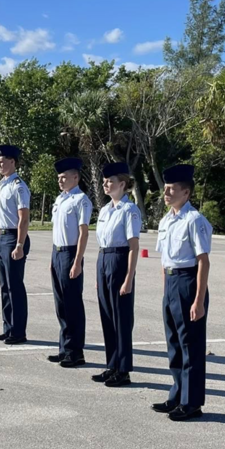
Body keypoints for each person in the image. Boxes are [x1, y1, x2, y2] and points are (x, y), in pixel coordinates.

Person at [152, 164, 212, 421]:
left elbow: (203, 261)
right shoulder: (166, 220)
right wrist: (166, 292)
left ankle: (192, 402)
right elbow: (165, 260)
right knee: (174, 344)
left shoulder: (194, 220)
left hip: (189, 282)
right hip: (172, 283)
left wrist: (198, 300)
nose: (166, 193)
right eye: (165, 188)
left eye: (171, 189)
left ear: (185, 192)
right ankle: (176, 395)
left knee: (190, 346)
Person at [92, 162, 141, 388]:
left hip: (120, 260)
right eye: (104, 181)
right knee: (107, 316)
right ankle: (111, 364)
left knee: (121, 318)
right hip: (104, 260)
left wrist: (129, 278)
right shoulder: (105, 210)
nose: (105, 184)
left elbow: (133, 246)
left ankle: (123, 369)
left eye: (110, 181)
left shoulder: (129, 210)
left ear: (122, 184)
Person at [48, 157, 93, 367]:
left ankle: (76, 352)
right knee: (60, 304)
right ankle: (64, 348)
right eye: (59, 177)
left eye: (64, 177)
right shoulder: (61, 199)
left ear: (75, 177)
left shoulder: (81, 200)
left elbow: (83, 233)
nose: (61, 180)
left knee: (72, 304)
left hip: (70, 253)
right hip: (57, 253)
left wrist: (77, 261)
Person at [0, 144, 31, 345]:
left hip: (14, 237)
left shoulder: (19, 186)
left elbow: (23, 218)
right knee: (4, 286)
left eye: (2, 161)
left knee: (15, 286)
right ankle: (8, 327)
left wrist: (19, 244)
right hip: (2, 237)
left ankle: (18, 331)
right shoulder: (3, 184)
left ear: (12, 162)